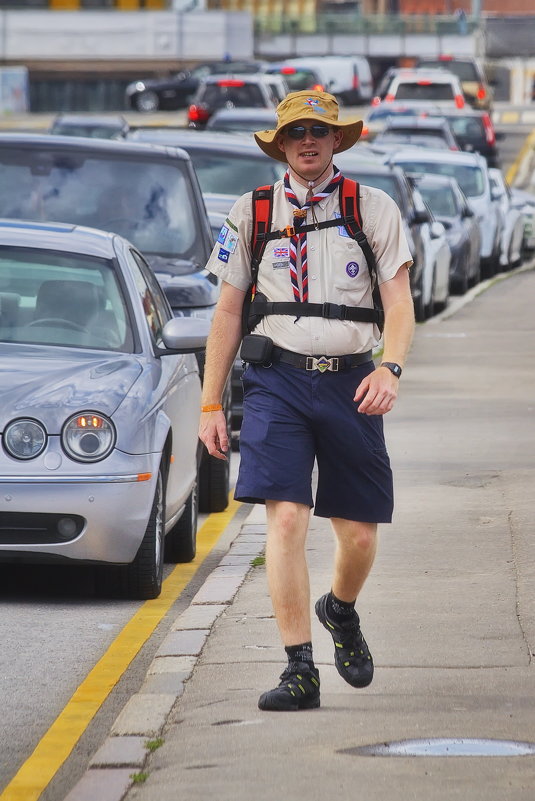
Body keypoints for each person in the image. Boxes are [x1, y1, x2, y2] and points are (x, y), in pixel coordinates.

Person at [199, 90, 415, 711]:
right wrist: (211, 403)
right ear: (282, 144)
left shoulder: (371, 209)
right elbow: (228, 313)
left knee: (360, 537)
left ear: (336, 140)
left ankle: (339, 611)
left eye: (319, 131)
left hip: (352, 383)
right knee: (286, 518)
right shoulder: (252, 212)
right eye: (296, 133)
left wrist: (391, 370)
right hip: (277, 384)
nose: (308, 142)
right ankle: (299, 669)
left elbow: (399, 306)